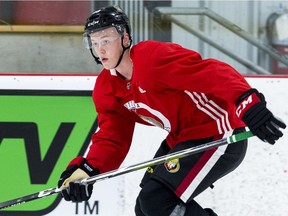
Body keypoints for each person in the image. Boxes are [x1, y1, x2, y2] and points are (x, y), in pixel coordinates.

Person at [58, 6, 286, 216]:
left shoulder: (151, 59)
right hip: (182, 138)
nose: (100, 49)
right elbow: (112, 138)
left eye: (106, 40)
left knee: (156, 201)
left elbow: (212, 72)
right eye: (94, 42)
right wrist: (87, 170)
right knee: (144, 208)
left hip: (218, 131)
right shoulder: (107, 87)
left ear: (125, 38)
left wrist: (247, 102)